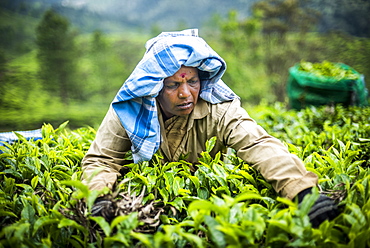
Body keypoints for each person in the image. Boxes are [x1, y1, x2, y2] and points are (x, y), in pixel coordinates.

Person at [81, 29, 338, 228]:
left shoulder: (220, 109)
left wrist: (302, 191)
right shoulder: (129, 111)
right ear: (155, 88)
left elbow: (258, 144)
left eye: (192, 81)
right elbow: (102, 159)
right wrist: (98, 196)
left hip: (205, 203)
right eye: (172, 86)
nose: (185, 94)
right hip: (150, 206)